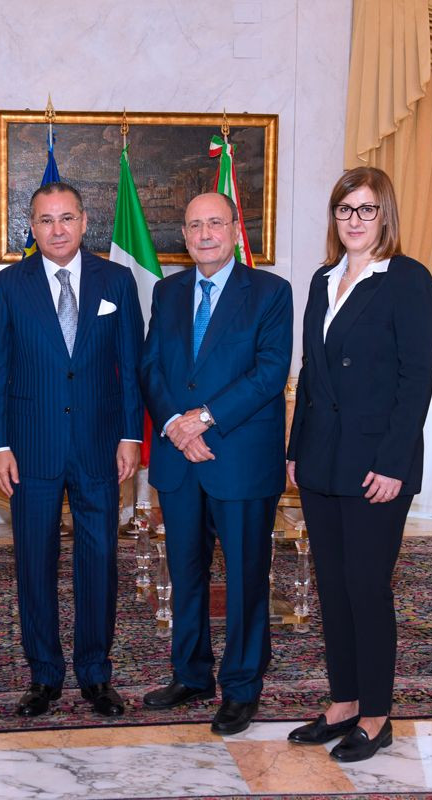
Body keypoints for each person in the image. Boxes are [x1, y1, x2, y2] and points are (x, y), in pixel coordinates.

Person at [285, 166, 432, 762]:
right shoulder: (323, 280)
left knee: (367, 588)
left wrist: (394, 462)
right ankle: (343, 702)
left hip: (377, 463)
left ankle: (376, 715)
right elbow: (312, 375)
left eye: (365, 210)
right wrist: (296, 450)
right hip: (321, 460)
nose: (354, 221)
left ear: (385, 216)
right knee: (331, 587)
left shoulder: (405, 280)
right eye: (345, 210)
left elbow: (415, 379)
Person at [0, 181, 145, 718]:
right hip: (30, 449)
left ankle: (96, 675)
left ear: (84, 222)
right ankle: (44, 675)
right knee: (35, 563)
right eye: (46, 220)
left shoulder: (116, 281)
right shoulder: (6, 286)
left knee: (99, 561)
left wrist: (130, 435)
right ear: (31, 228)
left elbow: (131, 367)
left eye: (67, 218)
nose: (57, 229)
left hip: (102, 447)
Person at [139, 192, 293, 735]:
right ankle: (192, 674)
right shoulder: (167, 290)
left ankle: (243, 687)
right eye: (194, 224)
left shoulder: (271, 292)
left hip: (240, 458)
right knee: (185, 574)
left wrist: (201, 419)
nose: (205, 234)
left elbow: (271, 372)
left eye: (215, 223)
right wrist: (177, 429)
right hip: (181, 459)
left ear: (235, 229)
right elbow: (151, 365)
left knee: (248, 575)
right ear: (183, 235)